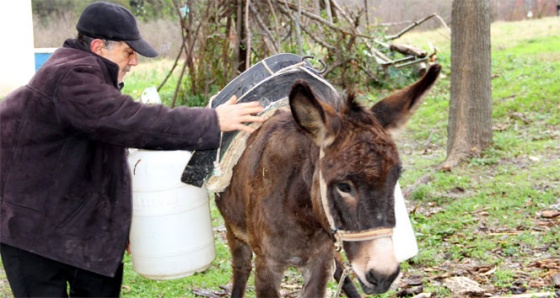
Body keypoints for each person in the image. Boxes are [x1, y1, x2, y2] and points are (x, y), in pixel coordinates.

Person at [0, 2, 264, 297]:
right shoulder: (72, 76)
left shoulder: (87, 76)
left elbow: (103, 152)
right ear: (100, 46)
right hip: (32, 230)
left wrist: (116, 222)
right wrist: (212, 121)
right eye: (129, 51)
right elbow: (133, 121)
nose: (134, 61)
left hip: (74, 224)